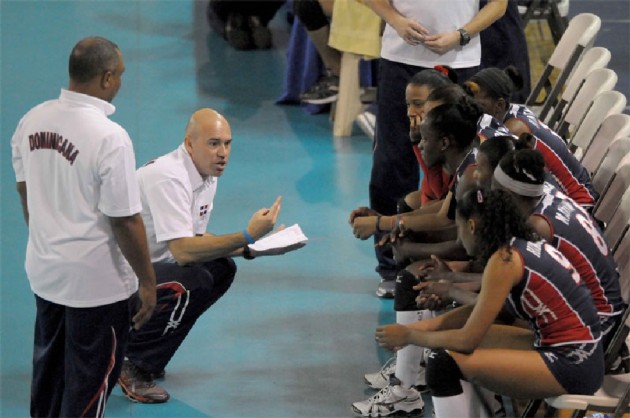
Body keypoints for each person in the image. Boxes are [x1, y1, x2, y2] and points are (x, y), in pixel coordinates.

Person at [10, 36, 156, 417]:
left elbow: (26, 191)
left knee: (50, 370)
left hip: (46, 272)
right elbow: (124, 219)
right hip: (97, 287)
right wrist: (147, 281)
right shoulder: (110, 137)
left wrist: (48, 238)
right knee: (89, 383)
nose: (122, 83)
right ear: (106, 78)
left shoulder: (32, 120)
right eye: (120, 75)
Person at [118, 108, 305, 403]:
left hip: (151, 270)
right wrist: (247, 235)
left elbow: (197, 240)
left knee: (221, 268)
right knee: (193, 279)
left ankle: (150, 353)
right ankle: (133, 362)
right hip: (117, 282)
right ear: (189, 144)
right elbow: (182, 251)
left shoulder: (204, 176)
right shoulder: (168, 177)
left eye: (228, 143)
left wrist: (253, 248)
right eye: (213, 143)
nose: (223, 153)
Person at [375, 188, 603, 418]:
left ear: (472, 226)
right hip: (566, 348)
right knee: (447, 349)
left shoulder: (504, 261)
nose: (459, 239)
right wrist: (411, 329)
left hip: (573, 364)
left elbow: (466, 340)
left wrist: (410, 337)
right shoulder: (516, 247)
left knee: (442, 364)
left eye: (460, 229)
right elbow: (479, 312)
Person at [365, 0, 507, 295]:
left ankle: (465, 262)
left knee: (461, 166)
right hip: (400, 63)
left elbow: (499, 4)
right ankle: (392, 265)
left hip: (460, 61)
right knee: (391, 164)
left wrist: (461, 35)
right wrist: (395, 20)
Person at [490, 149, 625, 350]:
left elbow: (506, 295)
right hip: (608, 309)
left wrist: (454, 289)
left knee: (486, 333)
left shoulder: (537, 226)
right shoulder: (547, 193)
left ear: (508, 196)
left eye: (495, 192)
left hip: (598, 323)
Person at [464, 66, 599, 208]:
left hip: (579, 202)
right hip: (574, 189)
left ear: (499, 105)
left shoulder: (514, 129)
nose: (471, 108)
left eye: (478, 104)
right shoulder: (514, 110)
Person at [206, 0, 285, 50]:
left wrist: (223, 30)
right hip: (259, 7)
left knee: (215, 12)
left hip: (228, 7)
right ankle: (255, 20)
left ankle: (231, 24)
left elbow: (214, 10)